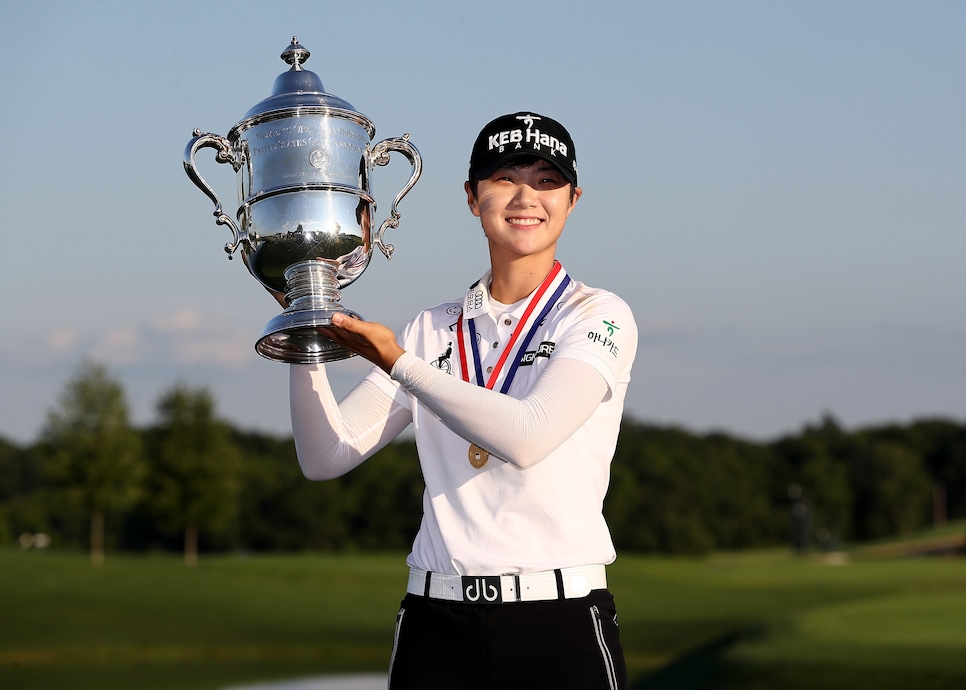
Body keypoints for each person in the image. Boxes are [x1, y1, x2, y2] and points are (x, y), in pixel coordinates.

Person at [286, 111, 638, 689]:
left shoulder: (598, 314)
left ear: (573, 200)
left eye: (547, 180)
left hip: (557, 624)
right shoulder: (431, 329)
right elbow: (325, 454)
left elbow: (528, 436)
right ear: (473, 198)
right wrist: (306, 315)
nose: (526, 195)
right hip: (436, 623)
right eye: (504, 177)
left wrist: (398, 362)